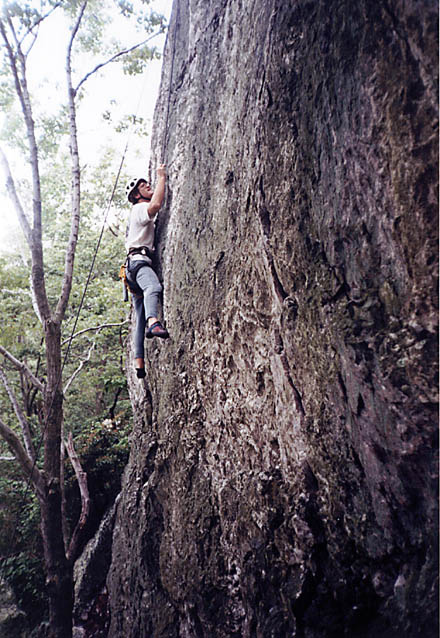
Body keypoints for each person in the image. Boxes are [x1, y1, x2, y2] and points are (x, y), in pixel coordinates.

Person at [125, 165, 169, 379]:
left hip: (131, 270)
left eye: (149, 183)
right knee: (153, 287)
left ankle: (139, 363)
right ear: (136, 195)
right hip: (139, 263)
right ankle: (155, 323)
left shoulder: (136, 212)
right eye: (144, 186)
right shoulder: (139, 208)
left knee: (139, 316)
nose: (149, 186)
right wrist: (162, 177)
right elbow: (156, 205)